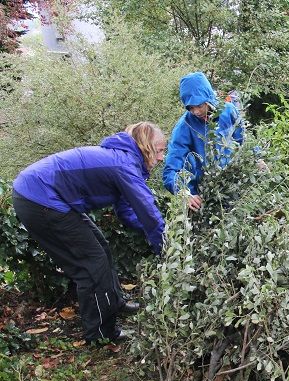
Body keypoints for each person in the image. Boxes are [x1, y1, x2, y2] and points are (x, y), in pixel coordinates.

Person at [12, 122, 167, 344]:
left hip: (51, 198)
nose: (161, 157)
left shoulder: (125, 161)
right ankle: (100, 334)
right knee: (92, 264)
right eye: (160, 150)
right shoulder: (124, 165)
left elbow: (128, 212)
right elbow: (149, 213)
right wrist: (165, 245)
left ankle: (115, 304)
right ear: (145, 146)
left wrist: (150, 230)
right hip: (39, 199)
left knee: (101, 248)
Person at [162, 72, 243, 211]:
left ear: (208, 98)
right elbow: (171, 169)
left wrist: (257, 158)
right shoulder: (184, 127)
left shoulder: (228, 111)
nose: (196, 112)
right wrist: (184, 193)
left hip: (235, 185)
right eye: (191, 108)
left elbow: (243, 141)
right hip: (204, 196)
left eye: (199, 106)